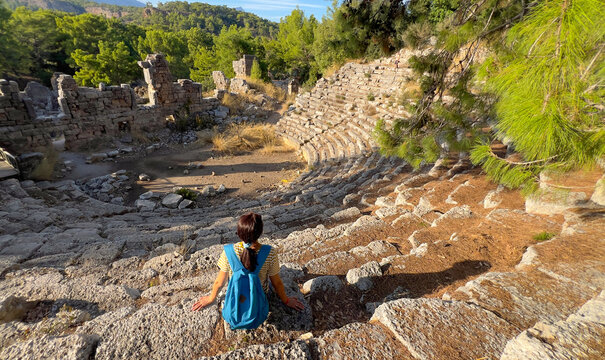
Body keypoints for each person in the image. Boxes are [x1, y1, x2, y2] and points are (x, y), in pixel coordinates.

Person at [192, 212, 304, 312]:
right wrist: (286, 300)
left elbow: (219, 283)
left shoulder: (228, 252)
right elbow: (277, 283)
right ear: (260, 232)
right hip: (259, 295)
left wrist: (211, 298)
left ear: (239, 233)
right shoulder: (270, 253)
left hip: (237, 294)